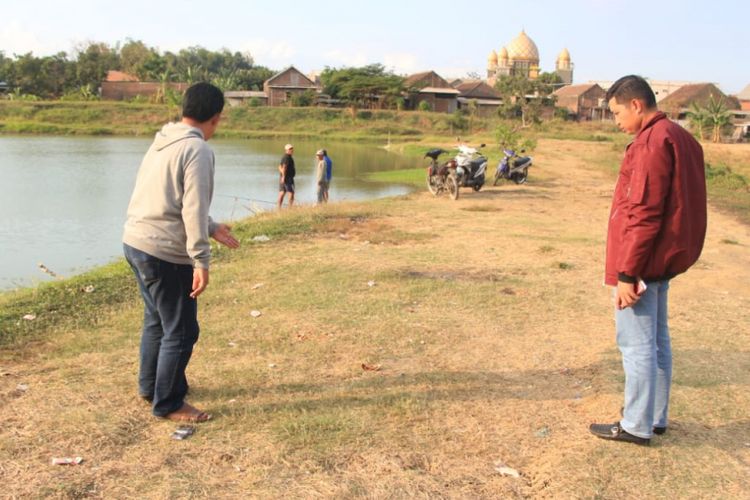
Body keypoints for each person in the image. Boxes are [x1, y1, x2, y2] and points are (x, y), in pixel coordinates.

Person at [589, 75, 706, 445]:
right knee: (657, 341)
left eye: (617, 112)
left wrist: (627, 273)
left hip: (642, 261)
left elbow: (644, 212)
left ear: (636, 105)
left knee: (636, 345)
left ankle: (636, 425)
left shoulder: (652, 142)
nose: (616, 121)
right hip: (662, 260)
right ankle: (654, 418)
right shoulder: (680, 137)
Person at [122, 82, 240, 423]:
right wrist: (201, 260)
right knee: (183, 330)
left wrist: (212, 225)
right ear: (216, 118)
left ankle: (151, 387)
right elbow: (192, 207)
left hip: (136, 242)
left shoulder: (163, 140)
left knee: (157, 321)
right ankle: (169, 403)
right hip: (163, 251)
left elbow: (174, 197)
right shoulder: (198, 150)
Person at [277, 144, 296, 208]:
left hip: (284, 177)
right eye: (289, 149)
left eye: (291, 148)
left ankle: (278, 207)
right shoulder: (287, 157)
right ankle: (290, 207)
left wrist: (282, 175)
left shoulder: (285, 157)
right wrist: (284, 176)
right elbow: (284, 167)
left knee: (282, 192)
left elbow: (279, 166)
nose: (291, 150)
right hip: (288, 178)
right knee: (291, 193)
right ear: (286, 150)